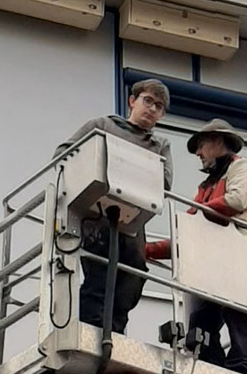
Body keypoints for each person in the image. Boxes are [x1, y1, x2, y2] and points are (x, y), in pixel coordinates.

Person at [145, 118, 247, 374]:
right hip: (210, 259)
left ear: (219, 141)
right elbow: (186, 232)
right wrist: (147, 250)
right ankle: (213, 370)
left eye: (201, 145)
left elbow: (238, 199)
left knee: (237, 314)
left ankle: (239, 370)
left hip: (235, 252)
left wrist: (199, 211)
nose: (198, 153)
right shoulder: (205, 187)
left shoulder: (241, 168)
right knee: (201, 322)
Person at [58, 79, 172, 335]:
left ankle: (115, 334)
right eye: (148, 101)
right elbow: (63, 154)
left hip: (132, 224)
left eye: (159, 106)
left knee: (132, 276)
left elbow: (164, 183)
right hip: (98, 218)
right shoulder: (102, 126)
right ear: (132, 101)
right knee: (98, 275)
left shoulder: (159, 145)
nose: (152, 109)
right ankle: (90, 331)